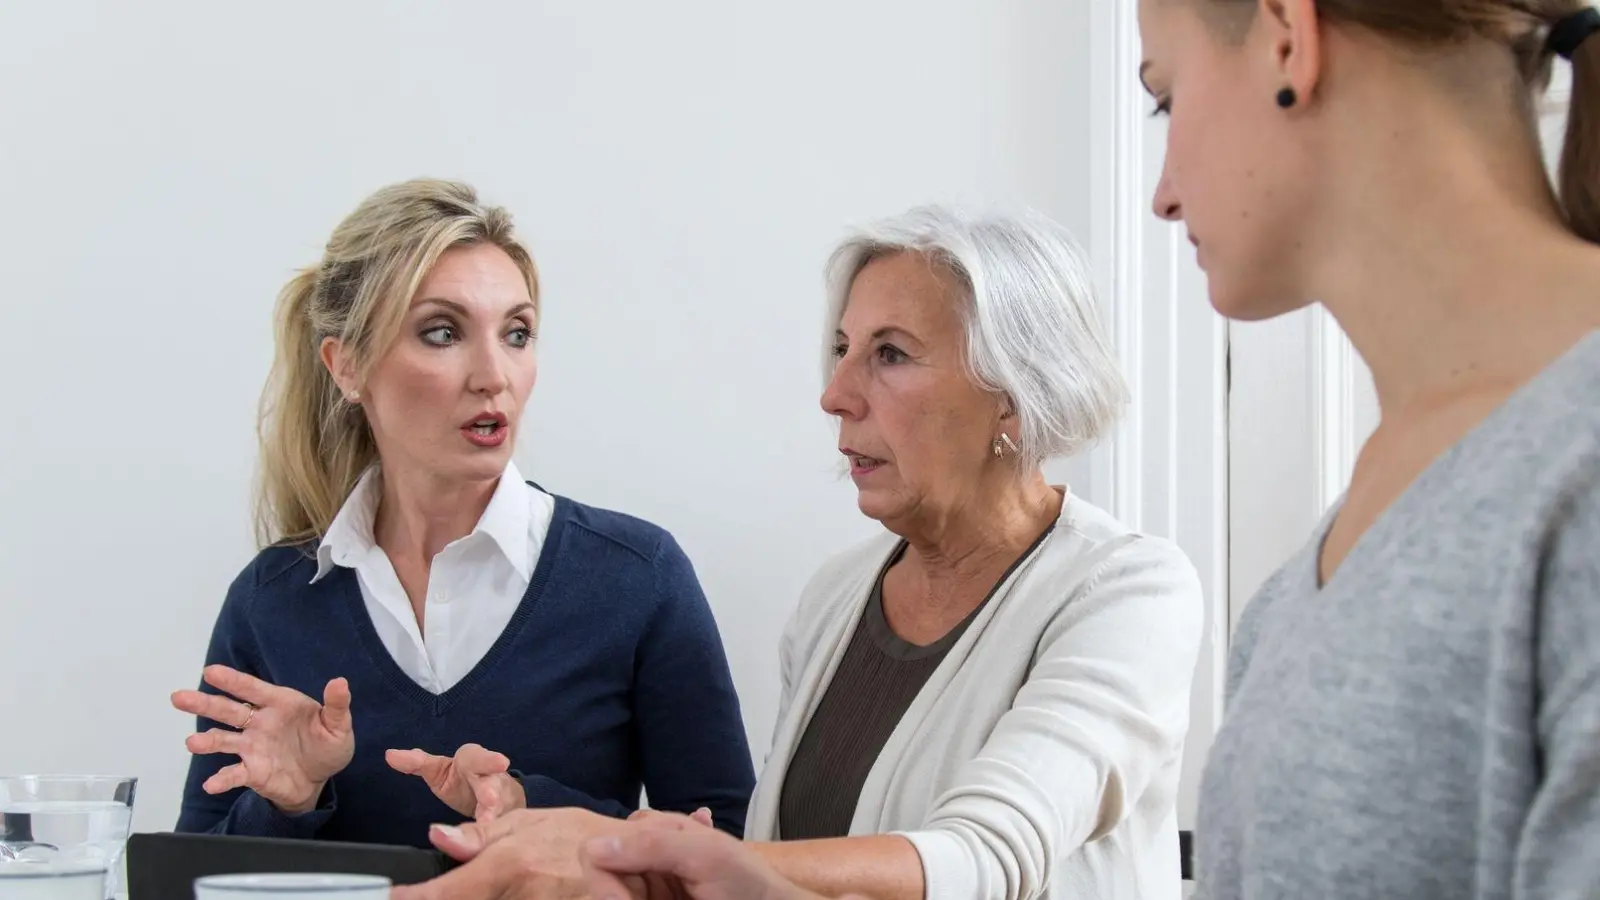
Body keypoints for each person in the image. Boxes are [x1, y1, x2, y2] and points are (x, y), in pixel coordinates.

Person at [393, 205, 1208, 900]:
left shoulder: (1127, 592)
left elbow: (988, 853)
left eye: (889, 354)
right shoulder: (836, 596)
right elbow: (773, 870)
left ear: (1013, 390)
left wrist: (638, 855)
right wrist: (611, 840)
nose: (835, 393)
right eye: (843, 349)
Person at [1135, 1, 1600, 897]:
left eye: (1165, 99)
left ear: (1286, 37)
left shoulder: (1575, 476)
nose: (1161, 195)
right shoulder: (1303, 585)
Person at [169, 178, 756, 849]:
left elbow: (731, 856)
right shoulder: (271, 603)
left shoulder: (637, 577)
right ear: (347, 366)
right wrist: (289, 804)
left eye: (517, 333)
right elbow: (192, 878)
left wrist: (528, 807)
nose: (494, 375)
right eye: (443, 332)